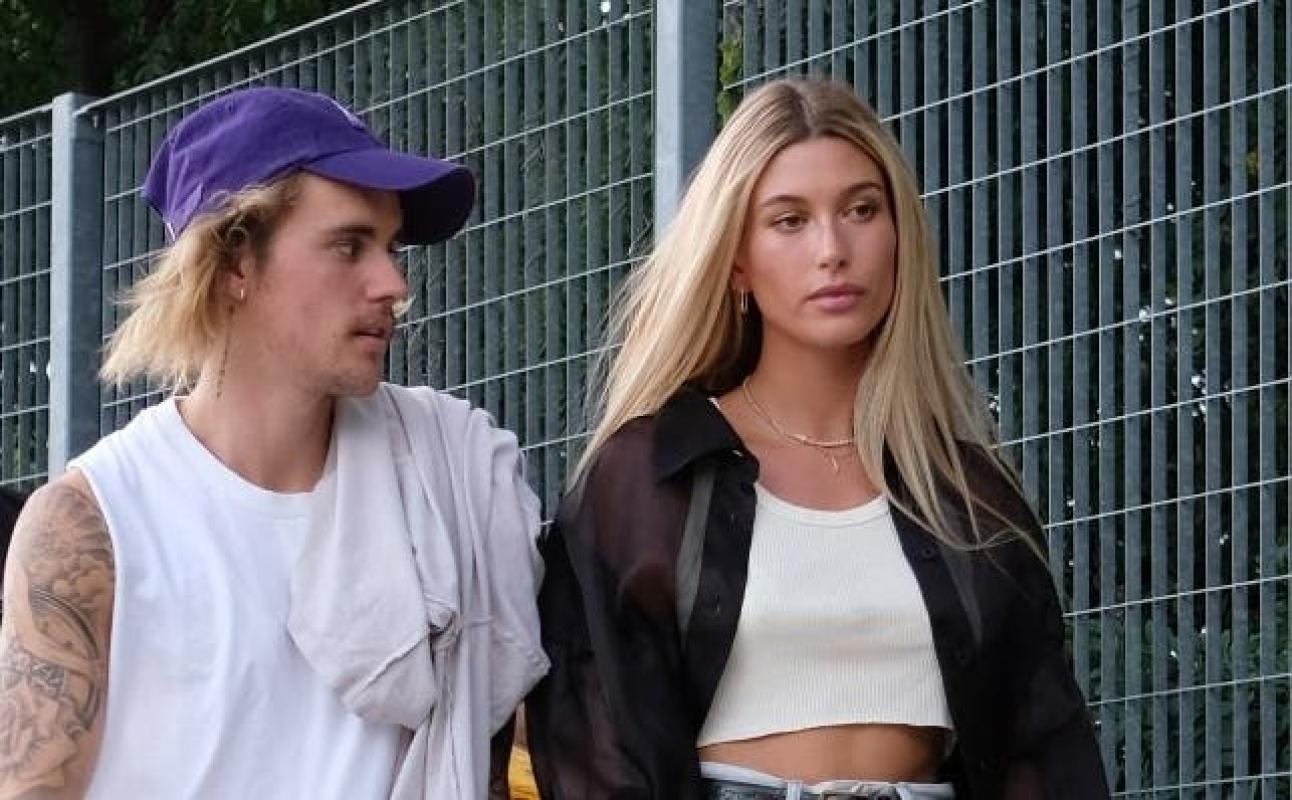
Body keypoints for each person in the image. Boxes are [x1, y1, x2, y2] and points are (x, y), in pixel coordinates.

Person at [526, 78, 1109, 799]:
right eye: (789, 220)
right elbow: (595, 745)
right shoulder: (651, 477)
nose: (833, 249)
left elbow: (1045, 752)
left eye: (861, 210)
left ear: (899, 237)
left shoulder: (969, 497)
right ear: (736, 259)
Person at [0, 87, 547, 799]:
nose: (392, 283)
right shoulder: (95, 523)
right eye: (349, 245)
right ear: (235, 263)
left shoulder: (448, 473)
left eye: (389, 247)